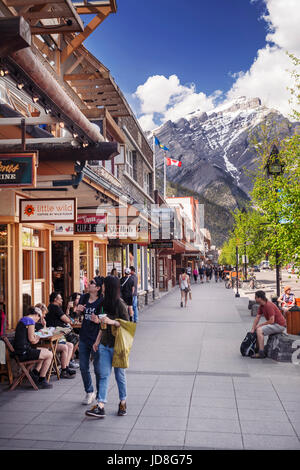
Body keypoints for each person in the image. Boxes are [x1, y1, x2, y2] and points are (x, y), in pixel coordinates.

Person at [85, 276, 129, 418]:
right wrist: (97, 341)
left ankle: (122, 402)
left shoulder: (120, 304)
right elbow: (102, 325)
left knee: (119, 375)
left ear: (109, 287)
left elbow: (127, 325)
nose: (102, 287)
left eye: (104, 285)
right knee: (103, 375)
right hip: (104, 344)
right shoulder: (103, 303)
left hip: (118, 346)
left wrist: (112, 321)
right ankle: (101, 405)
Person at [76, 278, 103, 405]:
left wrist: (98, 320)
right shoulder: (84, 297)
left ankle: (99, 393)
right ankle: (89, 391)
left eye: (92, 283)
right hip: (84, 336)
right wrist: (78, 310)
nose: (89, 284)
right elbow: (77, 314)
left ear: (97, 288)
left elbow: (105, 319)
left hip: (96, 338)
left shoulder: (102, 301)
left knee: (97, 368)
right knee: (83, 367)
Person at [13, 306, 53, 389]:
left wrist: (35, 336)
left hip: (19, 351)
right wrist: (37, 337)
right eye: (39, 317)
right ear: (36, 314)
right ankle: (42, 379)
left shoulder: (23, 319)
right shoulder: (30, 321)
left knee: (45, 350)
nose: (38, 320)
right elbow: (32, 340)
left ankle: (35, 373)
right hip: (24, 353)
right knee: (49, 354)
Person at [46, 292, 76, 378]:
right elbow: (66, 319)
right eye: (60, 298)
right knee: (72, 341)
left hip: (56, 334)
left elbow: (65, 318)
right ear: (55, 299)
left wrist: (68, 310)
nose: (62, 300)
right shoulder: (55, 307)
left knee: (70, 345)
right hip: (55, 334)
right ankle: (64, 369)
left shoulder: (52, 307)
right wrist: (69, 319)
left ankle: (65, 368)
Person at [250, 290, 286, 359]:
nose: (255, 299)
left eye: (256, 297)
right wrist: (253, 328)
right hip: (274, 324)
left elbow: (271, 321)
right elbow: (257, 317)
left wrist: (260, 325)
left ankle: (261, 353)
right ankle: (257, 349)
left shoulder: (268, 305)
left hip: (280, 325)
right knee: (257, 329)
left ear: (260, 298)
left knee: (259, 330)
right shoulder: (261, 306)